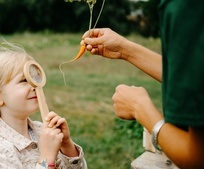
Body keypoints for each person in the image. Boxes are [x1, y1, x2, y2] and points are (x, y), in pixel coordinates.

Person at [81, 1, 204, 168]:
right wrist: (125, 50)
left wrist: (139, 107)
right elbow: (194, 74)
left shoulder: (185, 7)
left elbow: (197, 158)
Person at [0, 41, 87, 169]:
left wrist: (66, 145)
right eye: (24, 80)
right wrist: (47, 158)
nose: (34, 85)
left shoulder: (42, 131)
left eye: (35, 77)